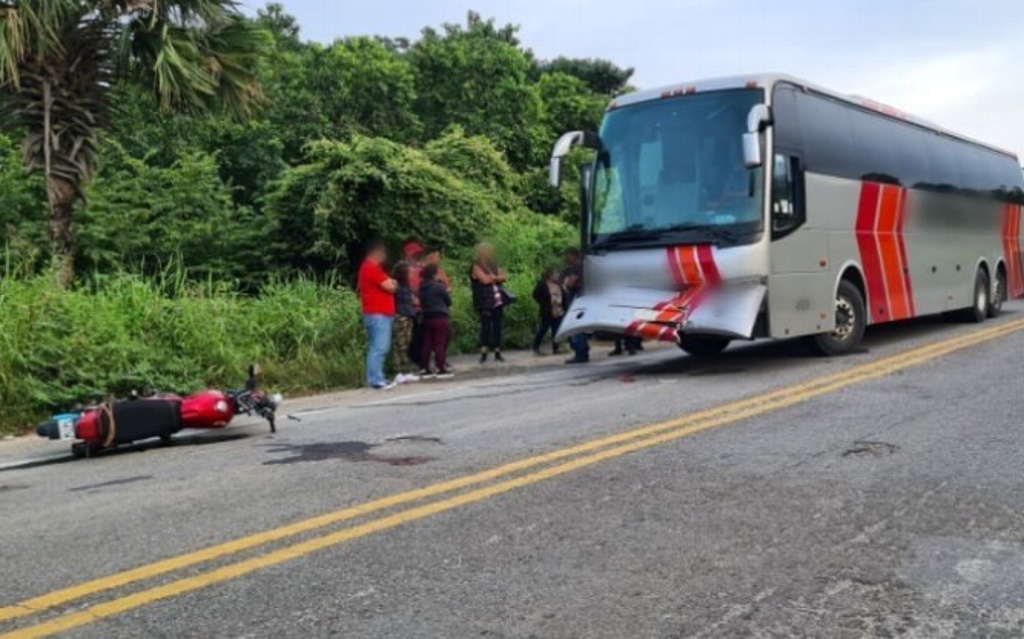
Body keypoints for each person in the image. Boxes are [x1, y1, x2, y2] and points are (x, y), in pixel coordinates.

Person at [357, 240, 397, 389]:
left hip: (379, 314)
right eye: (383, 252)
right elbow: (390, 286)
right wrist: (392, 283)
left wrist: (391, 283)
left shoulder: (373, 268)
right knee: (379, 347)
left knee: (379, 347)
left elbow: (390, 284)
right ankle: (375, 379)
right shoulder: (370, 268)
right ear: (377, 251)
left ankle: (377, 377)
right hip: (378, 314)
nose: (385, 255)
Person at [470, 242, 508, 364]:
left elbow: (504, 276)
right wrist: (495, 278)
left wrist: (493, 278)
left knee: (498, 326)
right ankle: (484, 352)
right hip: (484, 301)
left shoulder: (494, 264)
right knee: (486, 327)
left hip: (497, 300)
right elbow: (484, 280)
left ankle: (497, 351)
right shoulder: (476, 265)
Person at [419, 264, 454, 378]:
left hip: (427, 316)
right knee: (440, 342)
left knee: (427, 343)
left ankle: (425, 368)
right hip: (439, 315)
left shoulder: (422, 287)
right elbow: (448, 301)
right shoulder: (438, 286)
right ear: (434, 274)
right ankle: (441, 367)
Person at [391, 262, 420, 384]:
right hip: (401, 315)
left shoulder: (406, 286)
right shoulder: (395, 284)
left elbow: (413, 299)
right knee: (400, 344)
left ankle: (405, 371)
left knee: (406, 343)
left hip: (409, 314)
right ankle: (399, 371)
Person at [562, 248, 590, 364]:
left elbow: (571, 283)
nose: (566, 258)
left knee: (576, 327)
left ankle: (580, 353)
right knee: (581, 327)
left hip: (577, 299)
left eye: (568, 255)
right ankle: (583, 351)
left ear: (574, 255)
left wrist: (568, 283)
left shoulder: (578, 267)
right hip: (582, 298)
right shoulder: (585, 266)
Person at [532, 266, 565, 356]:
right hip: (547, 310)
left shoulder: (558, 285)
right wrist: (543, 303)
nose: (557, 275)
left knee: (556, 330)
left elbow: (563, 296)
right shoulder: (542, 284)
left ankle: (556, 348)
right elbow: (535, 294)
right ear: (549, 274)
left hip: (558, 310)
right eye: (555, 273)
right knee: (544, 328)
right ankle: (536, 347)